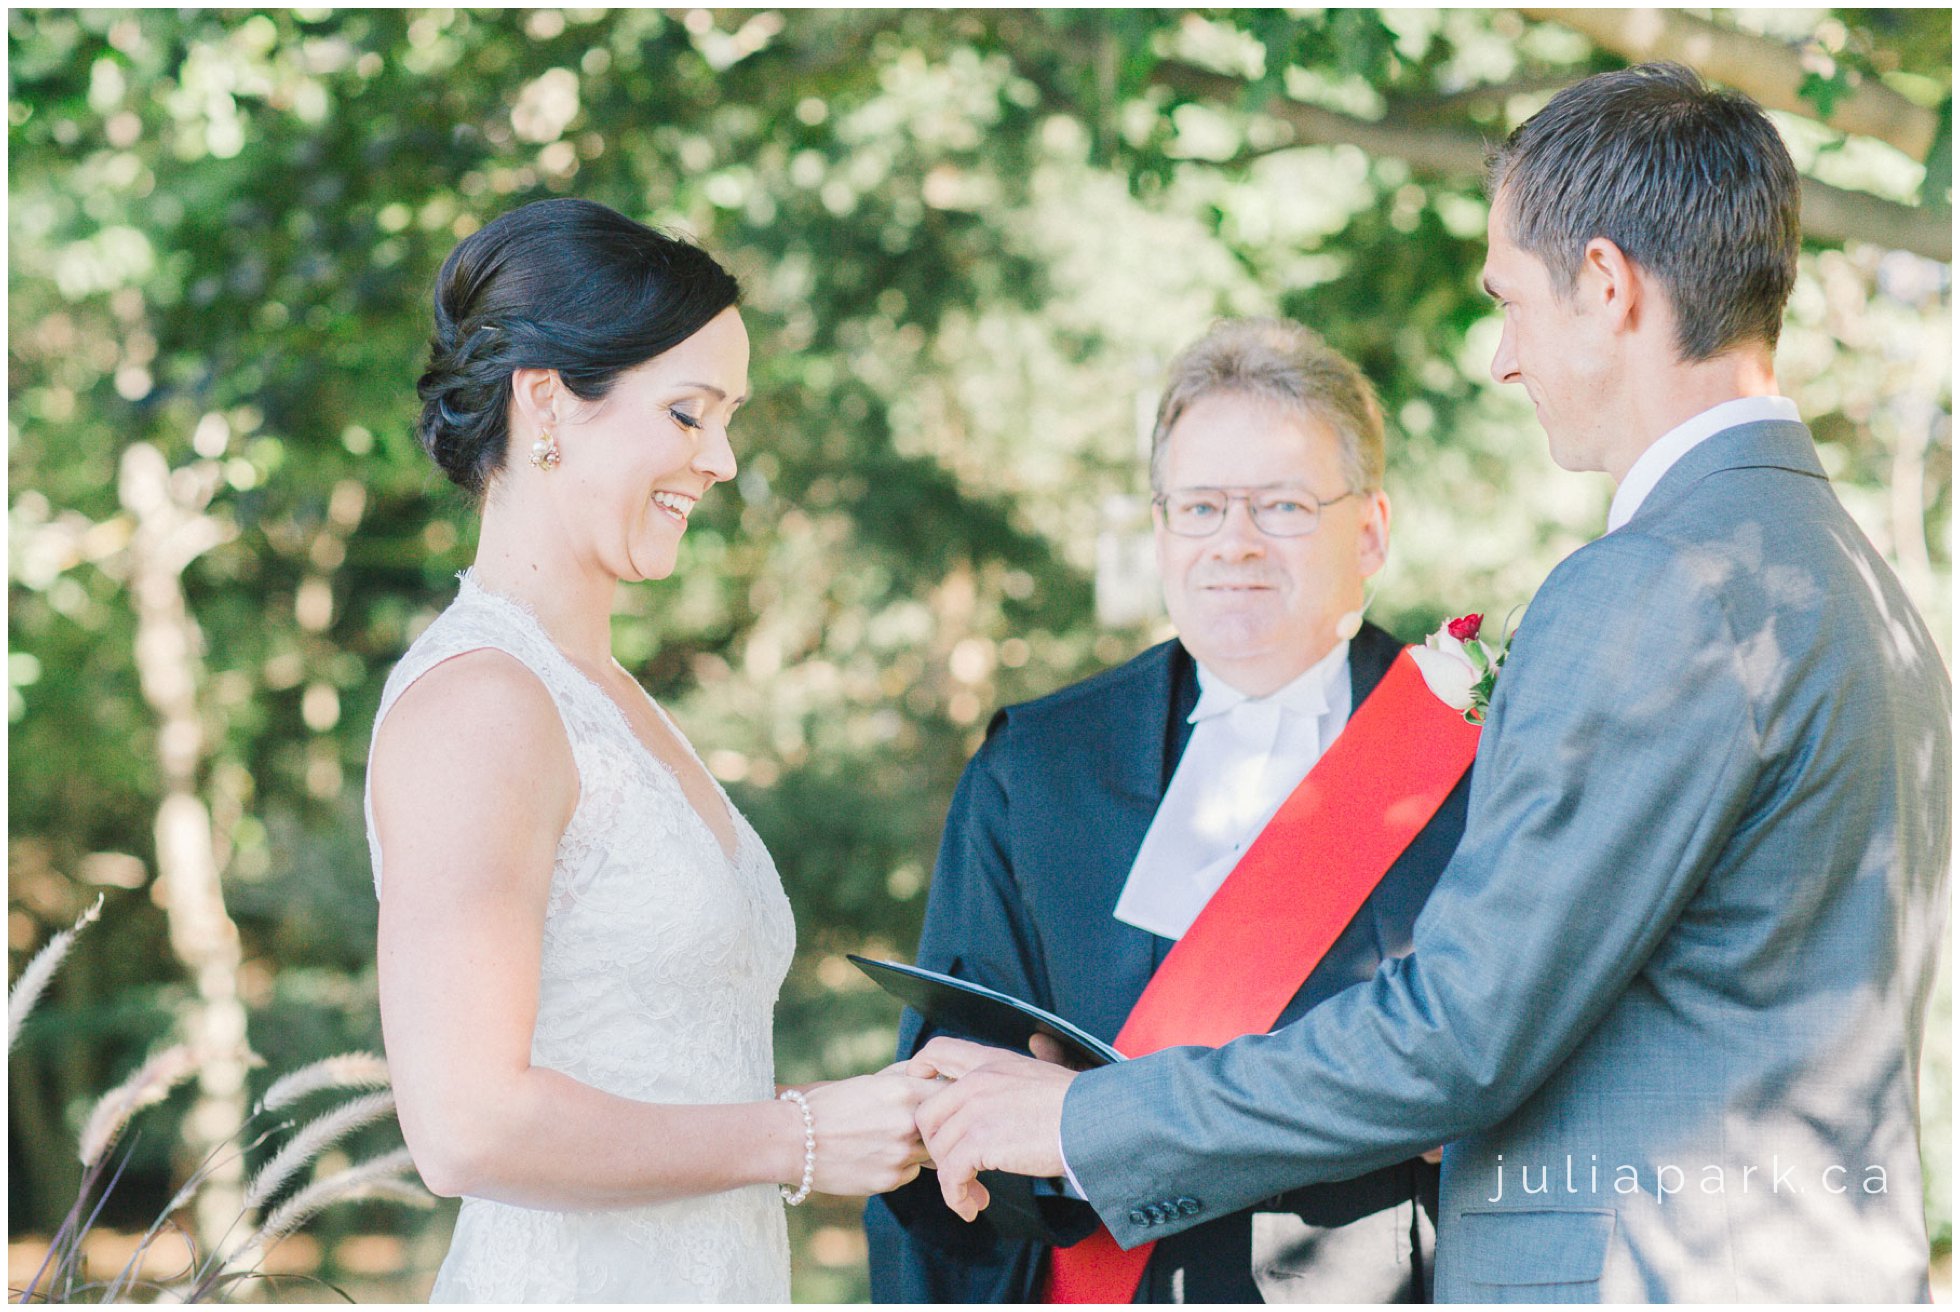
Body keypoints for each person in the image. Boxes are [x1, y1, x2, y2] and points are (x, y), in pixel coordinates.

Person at [910, 63, 1951, 1302]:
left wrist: (1082, 1123)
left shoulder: (1653, 585)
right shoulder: (1844, 576)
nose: (1504, 357)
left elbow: (1461, 1032)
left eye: (1510, 302)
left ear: (1607, 287)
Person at [366, 197, 934, 1302]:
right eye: (687, 413)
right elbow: (464, 1124)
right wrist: (799, 1138)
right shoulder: (482, 701)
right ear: (546, 404)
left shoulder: (608, 696)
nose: (720, 459)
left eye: (729, 418)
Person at [866, 319, 1472, 1302]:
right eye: (1198, 506)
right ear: (1158, 531)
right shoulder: (1036, 770)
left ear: (1369, 529)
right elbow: (956, 1082)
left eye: (1279, 504)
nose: (1232, 543)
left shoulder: (1474, 764)